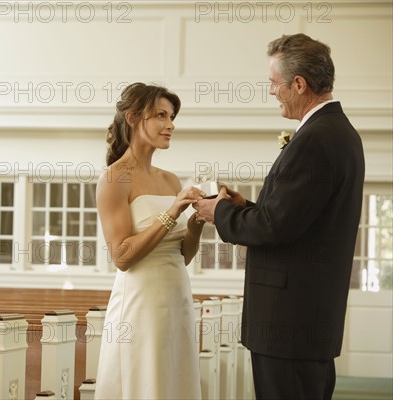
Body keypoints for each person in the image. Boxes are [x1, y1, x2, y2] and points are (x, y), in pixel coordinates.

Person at [194, 33, 365, 399]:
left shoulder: (316, 139)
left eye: (275, 83)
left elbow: (275, 227)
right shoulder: (339, 133)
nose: (272, 91)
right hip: (306, 319)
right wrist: (242, 207)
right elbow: (294, 218)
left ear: (299, 84)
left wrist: (218, 211)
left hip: (289, 323)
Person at [94, 82, 204, 399]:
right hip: (141, 302)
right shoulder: (115, 178)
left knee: (175, 380)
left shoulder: (169, 179)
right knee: (145, 382)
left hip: (177, 294)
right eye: (160, 116)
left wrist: (197, 220)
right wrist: (172, 210)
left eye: (171, 117)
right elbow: (122, 256)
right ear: (132, 118)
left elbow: (183, 254)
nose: (170, 125)